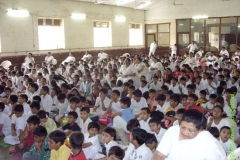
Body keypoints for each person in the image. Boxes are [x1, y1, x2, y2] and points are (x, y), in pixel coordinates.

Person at [152, 109, 226, 160]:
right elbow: (159, 155)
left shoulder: (208, 141)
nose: (185, 132)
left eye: (190, 130)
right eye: (183, 127)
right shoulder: (173, 131)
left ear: (200, 129)